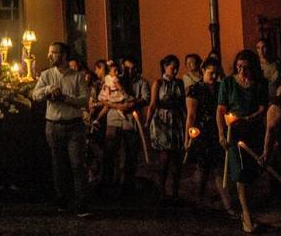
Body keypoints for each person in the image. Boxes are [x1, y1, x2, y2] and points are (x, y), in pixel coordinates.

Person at [31, 42, 90, 217]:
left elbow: (84, 100)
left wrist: (65, 98)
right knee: (58, 165)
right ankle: (62, 200)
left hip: (74, 125)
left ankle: (81, 203)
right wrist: (49, 90)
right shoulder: (46, 75)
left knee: (77, 164)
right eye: (50, 52)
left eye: (54, 52)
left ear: (64, 55)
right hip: (53, 125)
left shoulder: (77, 76)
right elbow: (35, 95)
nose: (50, 55)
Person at [216, 50, 268, 233]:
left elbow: (263, 108)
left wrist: (250, 118)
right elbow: (221, 110)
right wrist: (221, 134)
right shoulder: (228, 83)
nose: (242, 70)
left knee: (253, 173)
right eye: (239, 66)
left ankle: (251, 210)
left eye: (246, 67)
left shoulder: (260, 84)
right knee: (240, 173)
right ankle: (246, 215)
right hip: (234, 134)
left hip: (253, 132)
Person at [184, 59, 233, 214]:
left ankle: (228, 205)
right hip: (202, 133)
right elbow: (191, 115)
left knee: (219, 168)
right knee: (203, 168)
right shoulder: (195, 89)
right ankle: (197, 201)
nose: (214, 76)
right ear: (203, 70)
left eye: (216, 73)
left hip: (217, 131)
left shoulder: (220, 88)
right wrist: (187, 138)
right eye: (211, 73)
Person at [99, 60, 144, 194]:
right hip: (114, 118)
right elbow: (103, 99)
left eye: (131, 69)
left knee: (130, 151)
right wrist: (118, 106)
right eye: (127, 69)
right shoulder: (111, 82)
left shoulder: (140, 83)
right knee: (110, 149)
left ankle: (128, 183)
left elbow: (144, 99)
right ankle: (108, 181)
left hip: (130, 120)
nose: (129, 72)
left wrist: (130, 104)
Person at [146, 55, 185, 202]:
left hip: (176, 119)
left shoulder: (179, 83)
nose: (175, 71)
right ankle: (161, 190)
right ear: (165, 67)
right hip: (163, 120)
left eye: (177, 68)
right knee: (165, 156)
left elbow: (183, 102)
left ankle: (175, 191)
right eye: (172, 67)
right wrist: (147, 122)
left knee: (177, 157)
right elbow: (153, 103)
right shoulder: (158, 83)